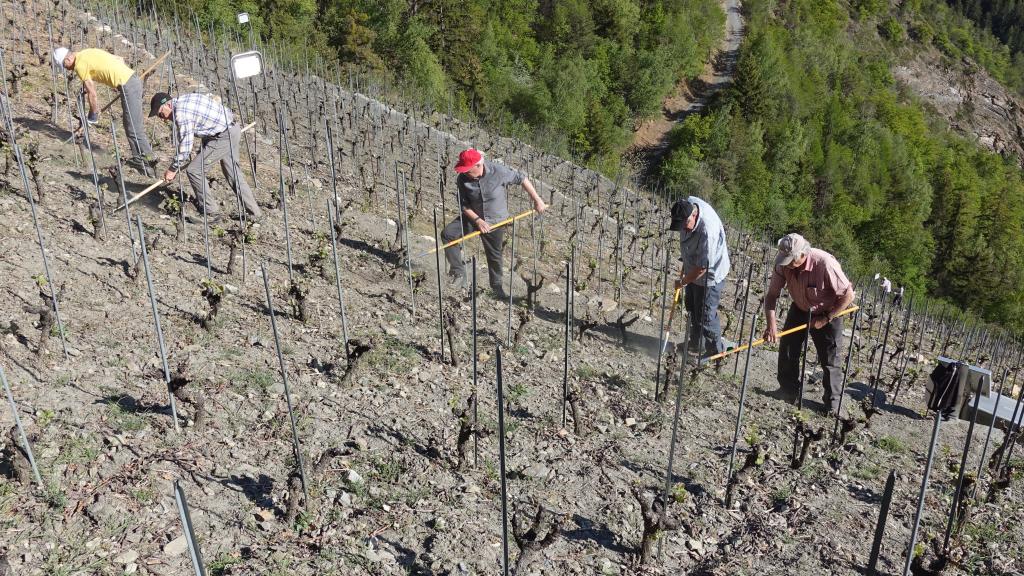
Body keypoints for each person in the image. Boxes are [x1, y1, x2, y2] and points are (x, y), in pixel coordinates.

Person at [763, 233, 856, 415]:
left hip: (828, 312)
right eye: (785, 260)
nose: (787, 264)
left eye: (791, 260)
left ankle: (833, 406)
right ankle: (788, 391)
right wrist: (771, 325)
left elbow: (848, 295)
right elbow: (771, 295)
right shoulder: (782, 264)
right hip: (800, 308)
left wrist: (826, 318)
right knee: (788, 349)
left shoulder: (824, 263)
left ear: (803, 254)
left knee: (830, 359)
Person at [442, 148, 546, 298]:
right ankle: (458, 273)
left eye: (468, 170)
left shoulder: (498, 171)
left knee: (494, 256)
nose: (465, 173)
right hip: (473, 217)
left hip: (495, 221)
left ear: (478, 165)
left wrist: (537, 200)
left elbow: (521, 178)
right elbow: (463, 204)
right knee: (448, 234)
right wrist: (478, 220)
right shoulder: (462, 178)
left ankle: (496, 289)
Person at [149, 91, 262, 223]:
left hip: (222, 136)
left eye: (161, 114)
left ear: (167, 105)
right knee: (233, 173)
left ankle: (211, 212)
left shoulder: (181, 113)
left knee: (194, 170)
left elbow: (185, 146)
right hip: (231, 128)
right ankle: (255, 213)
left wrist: (172, 169)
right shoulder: (186, 98)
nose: (163, 119)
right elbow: (205, 121)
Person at [54, 47, 154, 177]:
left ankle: (149, 161)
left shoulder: (79, 65)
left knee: (134, 128)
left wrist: (93, 115)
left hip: (129, 85)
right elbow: (119, 59)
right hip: (130, 81)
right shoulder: (86, 52)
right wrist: (119, 79)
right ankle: (143, 161)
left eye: (64, 66)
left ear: (68, 59)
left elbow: (92, 94)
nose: (67, 69)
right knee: (130, 126)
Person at [668, 196, 730, 358]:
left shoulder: (707, 232)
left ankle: (715, 352)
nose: (683, 229)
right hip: (693, 267)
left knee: (705, 315)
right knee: (692, 307)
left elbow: (702, 267)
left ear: (694, 216)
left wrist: (682, 282)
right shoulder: (688, 205)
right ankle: (697, 344)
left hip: (710, 273)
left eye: (685, 225)